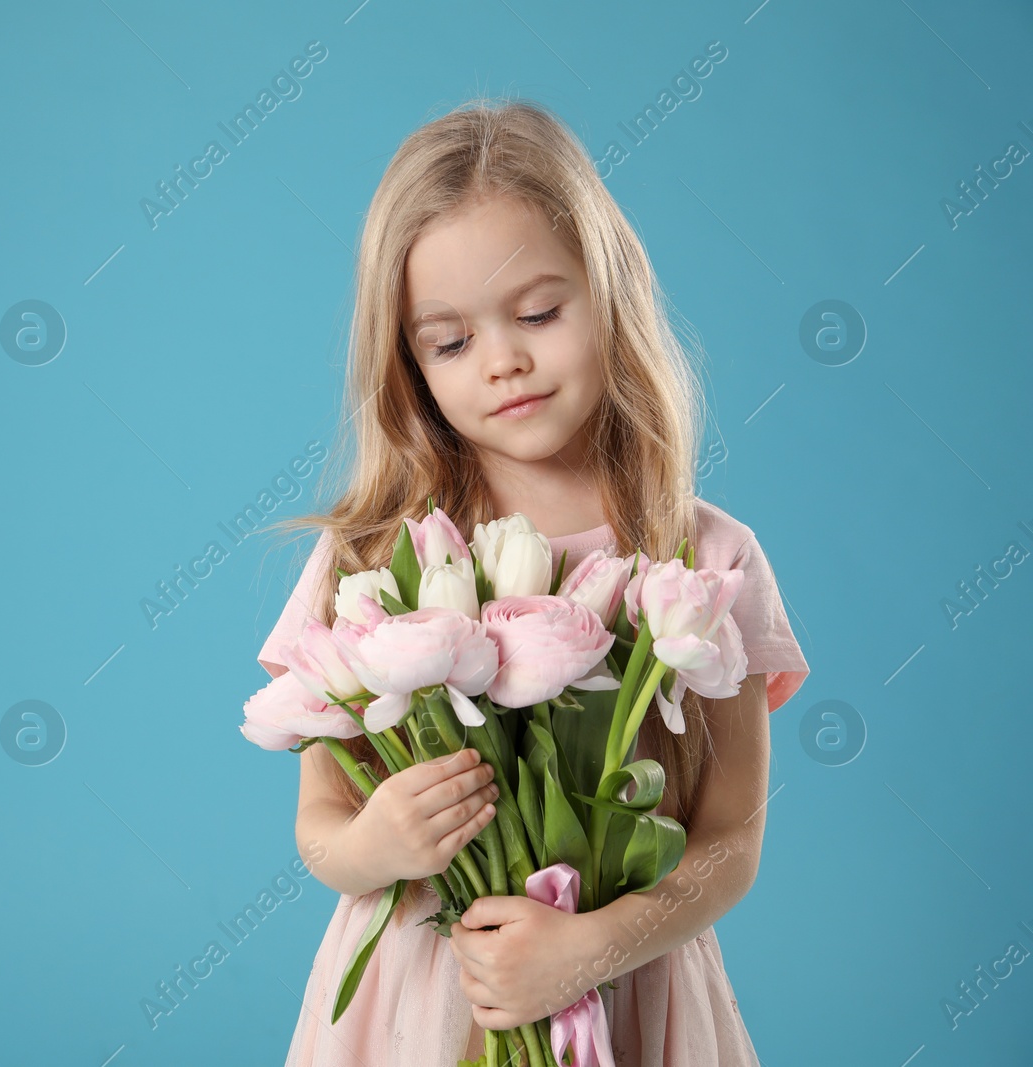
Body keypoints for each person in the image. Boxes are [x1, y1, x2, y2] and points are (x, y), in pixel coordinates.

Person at [255, 98, 811, 1066]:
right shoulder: (370, 560)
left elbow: (731, 841)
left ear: (611, 290)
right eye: (449, 341)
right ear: (408, 365)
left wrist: (594, 945)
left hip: (629, 978)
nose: (504, 360)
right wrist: (377, 845)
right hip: (421, 994)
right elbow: (319, 827)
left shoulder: (704, 561)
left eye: (538, 312)